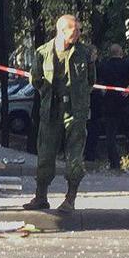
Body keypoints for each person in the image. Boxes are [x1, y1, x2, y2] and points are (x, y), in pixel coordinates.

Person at [23, 14, 96, 213]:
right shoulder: (43, 52)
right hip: (51, 110)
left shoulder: (85, 53)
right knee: (45, 154)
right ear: (62, 30)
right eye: (74, 29)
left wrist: (78, 99)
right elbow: (36, 79)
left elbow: (91, 80)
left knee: (74, 157)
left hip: (75, 111)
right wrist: (48, 96)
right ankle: (41, 197)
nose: (78, 33)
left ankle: (70, 199)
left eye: (79, 29)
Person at [91, 44, 129, 169]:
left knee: (111, 135)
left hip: (110, 105)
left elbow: (93, 80)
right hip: (126, 104)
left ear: (110, 54)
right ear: (121, 53)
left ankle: (114, 163)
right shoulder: (128, 64)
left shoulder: (103, 65)